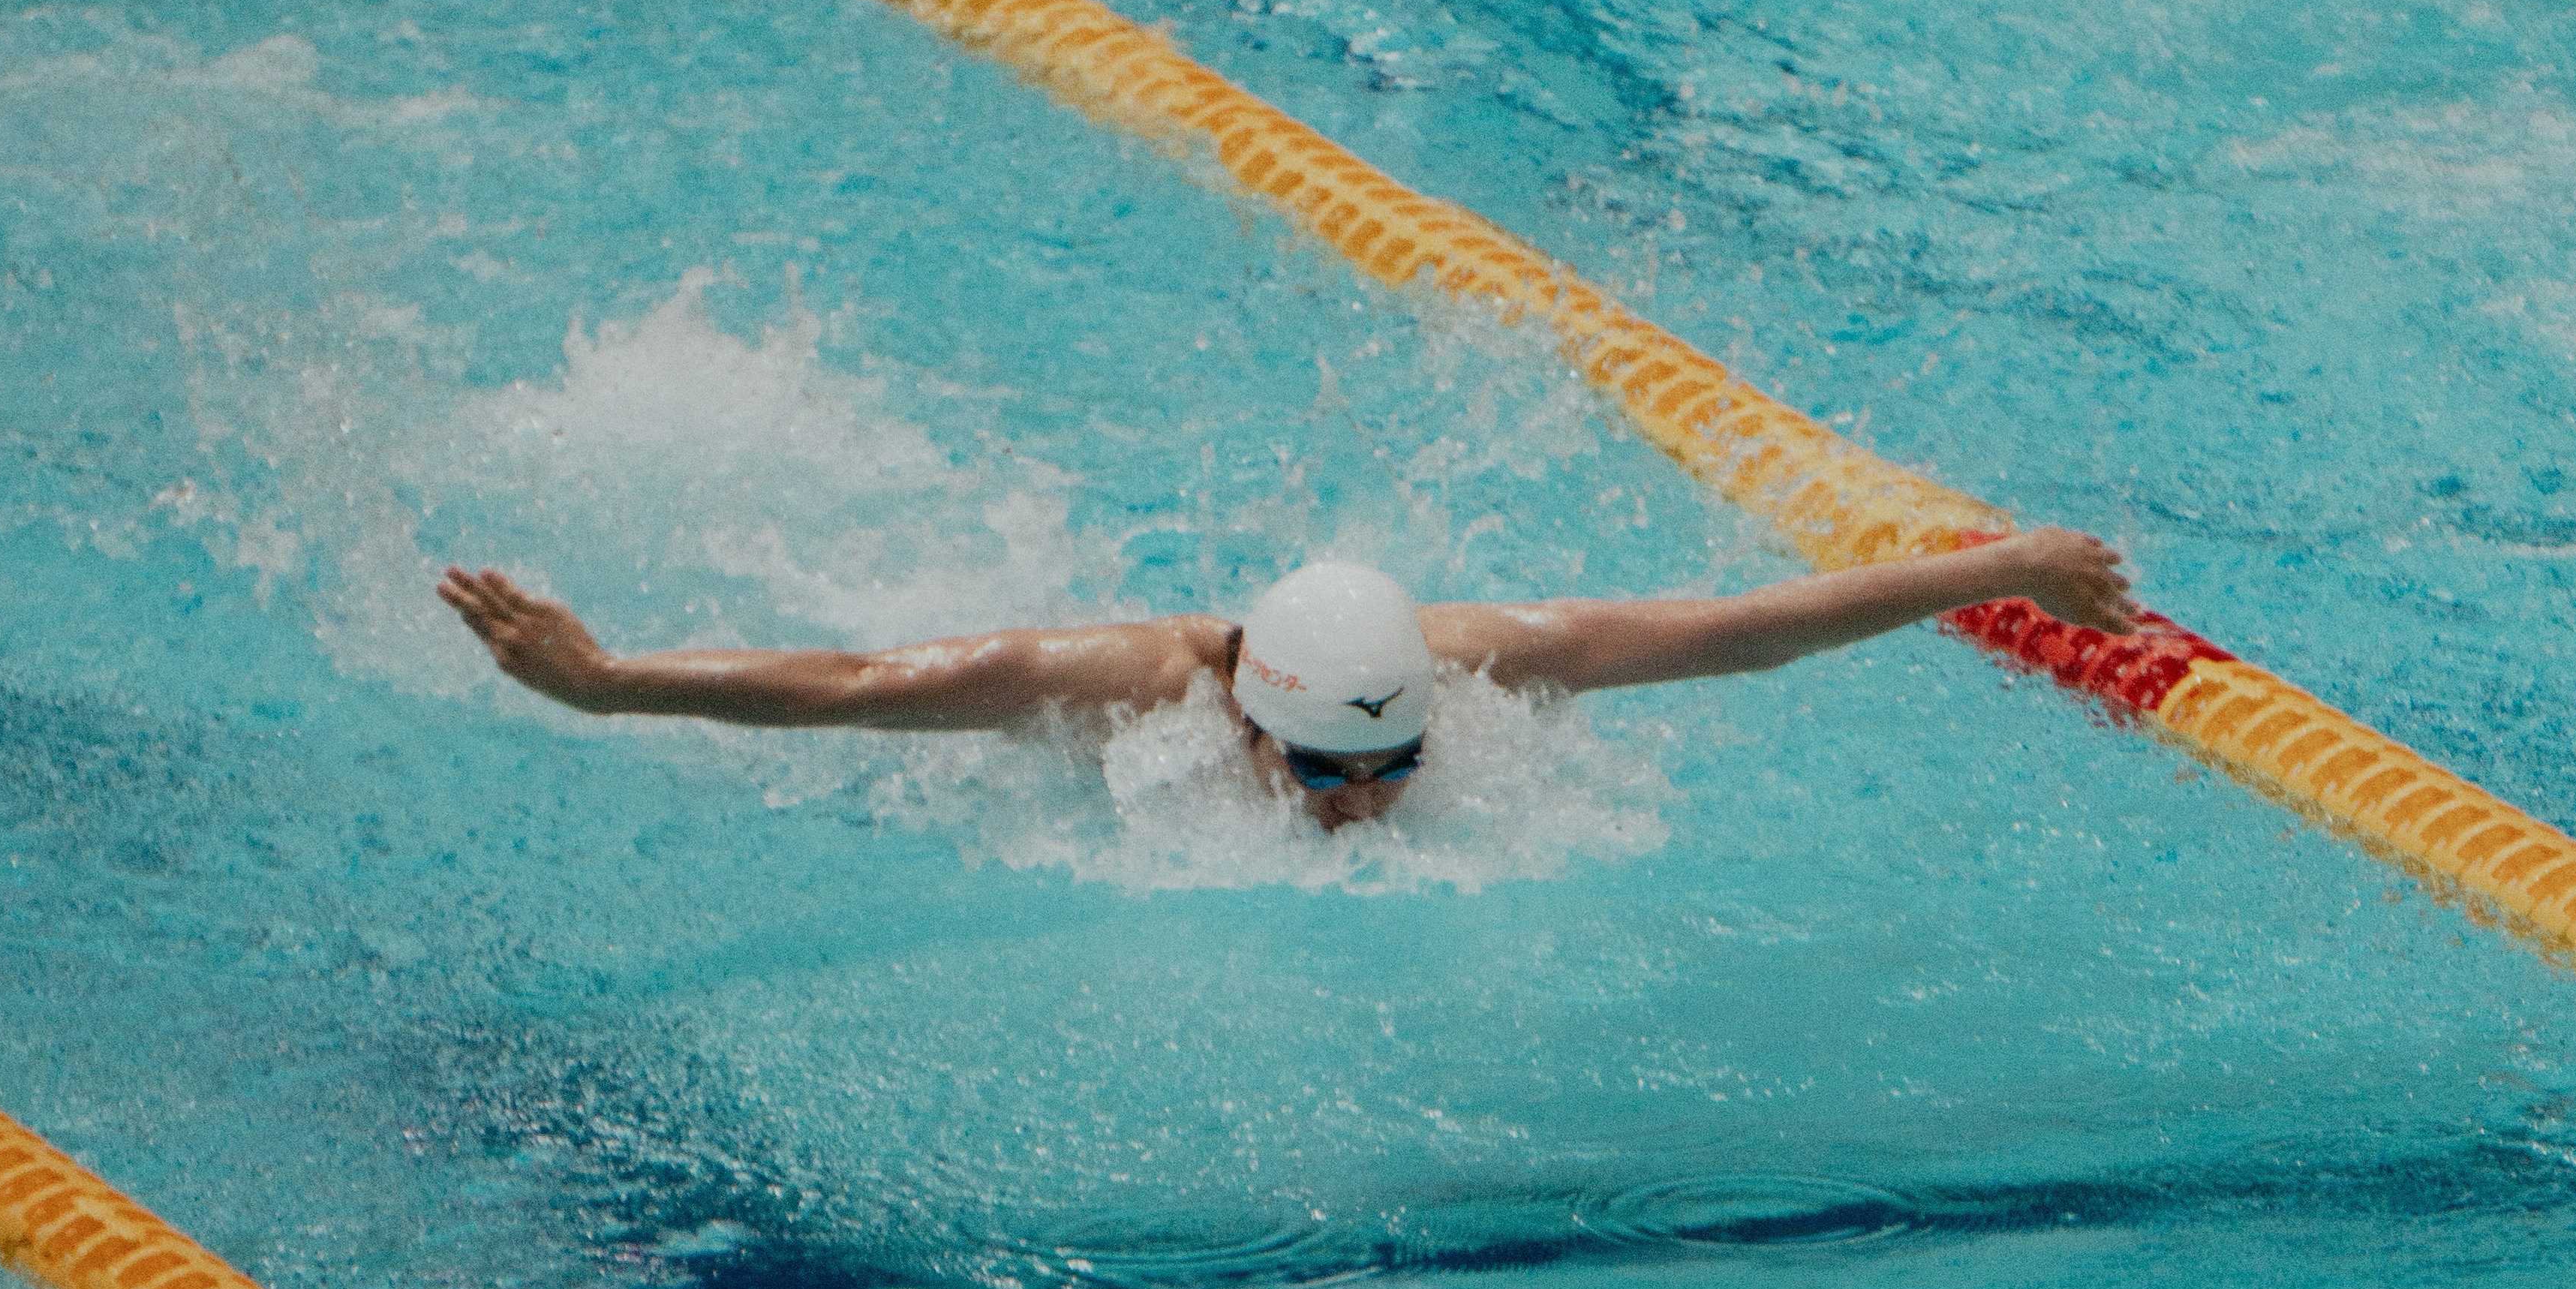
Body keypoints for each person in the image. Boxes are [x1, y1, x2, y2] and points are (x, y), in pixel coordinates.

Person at [436, 525, 2142, 834]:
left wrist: (1999, 571)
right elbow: (847, 684)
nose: (1367, 807)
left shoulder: (1468, 667)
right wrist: (609, 685)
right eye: (1325, 777)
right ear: (1246, 720)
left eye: (1389, 769)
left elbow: (1739, 629)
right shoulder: (1103, 686)